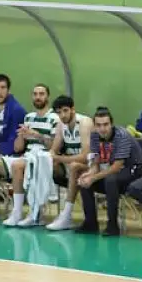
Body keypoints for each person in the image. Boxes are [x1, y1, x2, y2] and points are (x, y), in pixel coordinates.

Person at [0, 84, 60, 225]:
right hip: (26, 156)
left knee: (18, 165)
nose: (38, 97)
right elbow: (18, 148)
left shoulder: (54, 118)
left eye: (41, 94)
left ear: (47, 96)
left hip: (43, 158)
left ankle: (18, 212)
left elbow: (54, 147)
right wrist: (21, 136)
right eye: (35, 94)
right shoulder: (29, 118)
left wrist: (37, 135)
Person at [77, 107, 142, 235]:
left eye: (106, 124)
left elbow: (116, 166)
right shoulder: (94, 136)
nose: (102, 129)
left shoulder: (122, 135)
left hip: (136, 170)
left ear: (112, 124)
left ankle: (112, 225)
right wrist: (90, 174)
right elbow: (96, 162)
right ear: (95, 126)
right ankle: (90, 223)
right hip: (115, 171)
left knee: (110, 180)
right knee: (84, 181)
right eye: (99, 125)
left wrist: (93, 178)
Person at [46, 95, 93, 230]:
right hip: (72, 164)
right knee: (46, 163)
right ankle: (36, 211)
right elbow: (53, 151)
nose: (63, 115)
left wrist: (60, 159)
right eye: (59, 112)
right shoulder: (61, 125)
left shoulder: (84, 123)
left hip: (93, 166)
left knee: (74, 167)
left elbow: (85, 156)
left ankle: (66, 216)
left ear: (73, 109)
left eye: (65, 110)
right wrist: (50, 158)